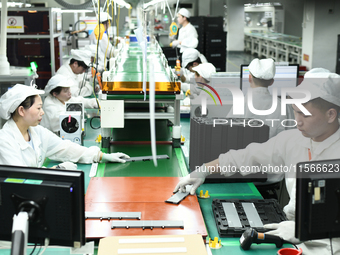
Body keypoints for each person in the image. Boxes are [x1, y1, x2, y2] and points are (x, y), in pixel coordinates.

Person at [174, 70, 340, 254]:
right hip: (290, 234)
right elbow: (248, 156)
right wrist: (203, 170)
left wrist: (306, 230)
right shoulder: (293, 140)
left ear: (331, 115)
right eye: (295, 111)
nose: (297, 121)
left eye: (305, 115)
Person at [0, 84, 129, 168]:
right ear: (21, 110)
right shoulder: (5, 141)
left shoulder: (36, 132)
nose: (42, 112)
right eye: (39, 108)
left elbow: (65, 148)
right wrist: (56, 170)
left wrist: (101, 156)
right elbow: (19, 179)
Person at [227, 58, 293, 138]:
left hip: (246, 150)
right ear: (272, 82)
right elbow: (292, 135)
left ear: (249, 78)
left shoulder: (240, 104)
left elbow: (228, 131)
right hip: (274, 150)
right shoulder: (284, 106)